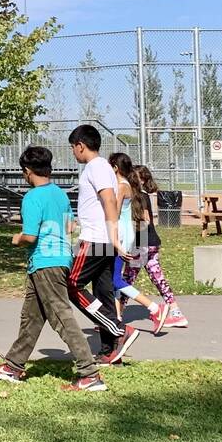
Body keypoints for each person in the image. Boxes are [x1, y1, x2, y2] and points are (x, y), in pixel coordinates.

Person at [0, 146, 108, 391]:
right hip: (60, 259)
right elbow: (70, 226)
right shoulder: (60, 195)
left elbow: (30, 237)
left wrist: (16, 238)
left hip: (45, 262)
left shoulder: (32, 197)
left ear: (27, 172)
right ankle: (13, 367)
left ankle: (89, 374)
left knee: (62, 318)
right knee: (31, 318)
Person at [66, 125, 139, 364]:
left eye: (73, 148)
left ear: (80, 145)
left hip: (96, 239)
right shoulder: (104, 167)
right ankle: (110, 350)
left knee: (72, 285)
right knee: (103, 292)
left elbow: (108, 200)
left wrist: (114, 238)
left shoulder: (95, 167)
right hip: (103, 239)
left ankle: (119, 329)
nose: (73, 153)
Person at [106, 152, 169, 333]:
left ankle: (154, 308)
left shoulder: (121, 185)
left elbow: (114, 213)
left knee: (116, 279)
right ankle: (116, 320)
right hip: (125, 234)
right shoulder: (126, 185)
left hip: (121, 235)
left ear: (115, 168)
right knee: (113, 278)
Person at [130, 165, 186, 327]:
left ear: (143, 180)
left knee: (125, 281)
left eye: (135, 176)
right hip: (151, 243)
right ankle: (176, 312)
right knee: (157, 278)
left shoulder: (138, 196)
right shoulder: (142, 196)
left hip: (143, 245)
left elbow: (144, 219)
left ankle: (114, 317)